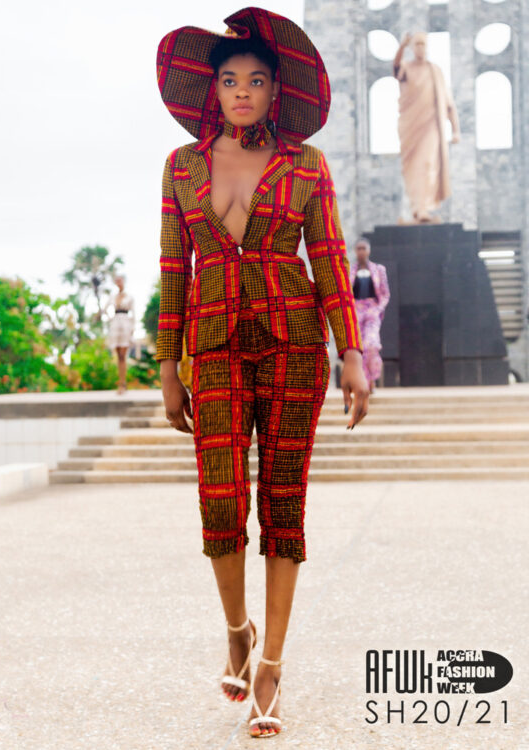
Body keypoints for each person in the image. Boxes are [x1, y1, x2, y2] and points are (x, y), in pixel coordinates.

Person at [155, 7, 369, 738]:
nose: (242, 91)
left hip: (294, 344)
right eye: (229, 79)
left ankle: (271, 664)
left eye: (255, 80)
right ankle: (237, 631)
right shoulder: (181, 166)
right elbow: (173, 268)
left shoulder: (307, 164)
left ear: (277, 91)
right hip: (213, 345)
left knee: (283, 502)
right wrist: (168, 364)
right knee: (220, 503)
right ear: (212, 89)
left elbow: (330, 259)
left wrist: (352, 352)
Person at [393, 31, 460, 223]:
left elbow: (448, 103)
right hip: (410, 127)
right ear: (412, 47)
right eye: (417, 44)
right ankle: (416, 207)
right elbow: (395, 67)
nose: (420, 48)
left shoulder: (435, 71)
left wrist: (455, 130)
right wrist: (401, 46)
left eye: (423, 44)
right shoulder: (406, 67)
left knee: (428, 164)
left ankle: (423, 208)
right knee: (412, 168)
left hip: (431, 126)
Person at [350, 238, 390, 393]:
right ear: (355, 250)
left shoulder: (378, 269)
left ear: (369, 250)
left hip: (372, 310)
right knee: (357, 348)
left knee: (371, 345)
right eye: (359, 248)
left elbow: (385, 294)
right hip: (355, 311)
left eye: (364, 248)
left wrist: (378, 309)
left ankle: (371, 378)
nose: (361, 251)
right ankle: (362, 382)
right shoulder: (349, 270)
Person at [103, 274, 135, 395]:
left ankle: (123, 383)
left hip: (126, 324)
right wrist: (110, 319)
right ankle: (121, 383)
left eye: (120, 280)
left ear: (124, 281)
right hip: (115, 324)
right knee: (118, 355)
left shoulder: (129, 297)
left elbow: (134, 313)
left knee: (123, 355)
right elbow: (105, 309)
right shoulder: (113, 296)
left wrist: (132, 328)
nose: (118, 282)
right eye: (117, 281)